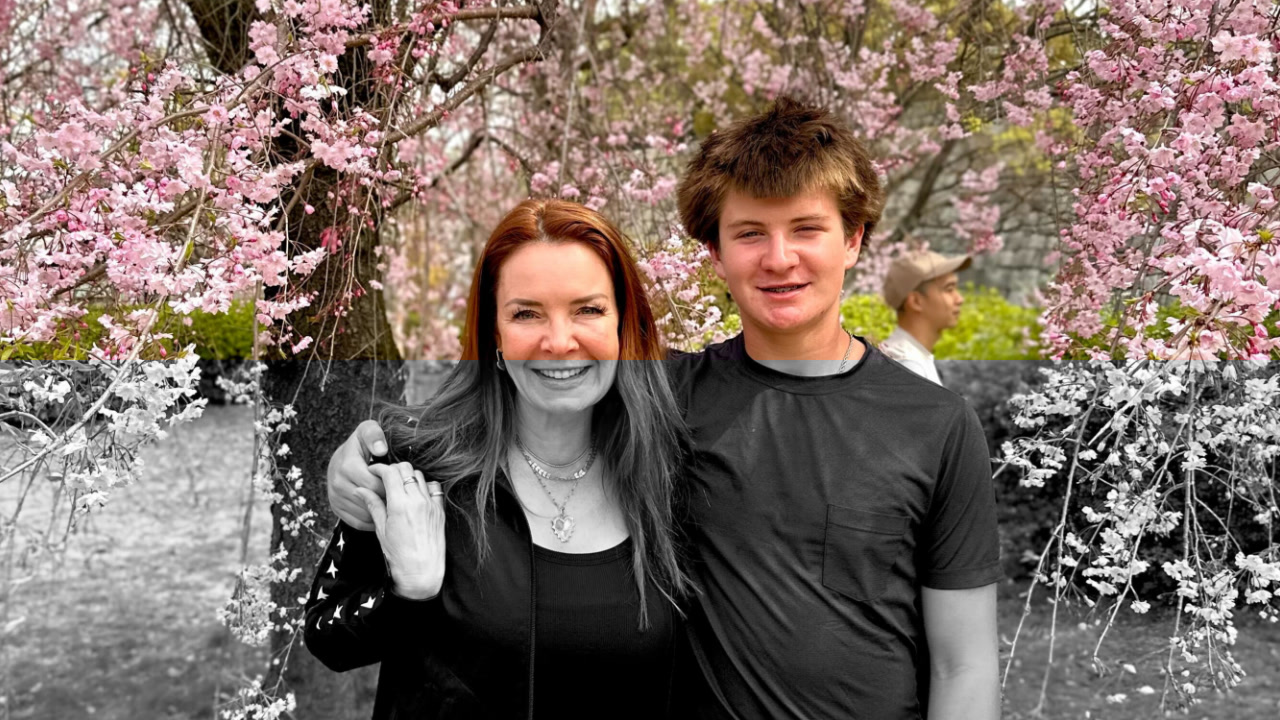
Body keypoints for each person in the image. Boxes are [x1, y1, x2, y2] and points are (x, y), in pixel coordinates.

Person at [327, 98, 1002, 719]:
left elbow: (964, 664)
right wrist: (363, 457)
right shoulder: (660, 397)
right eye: (750, 233)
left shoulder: (935, 425)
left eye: (807, 228)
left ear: (853, 239)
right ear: (714, 254)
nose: (780, 258)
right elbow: (535, 386)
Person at [303, 199, 696, 719]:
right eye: (526, 313)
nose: (559, 342)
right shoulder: (417, 464)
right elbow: (326, 634)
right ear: (494, 332)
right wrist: (407, 592)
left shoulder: (674, 467)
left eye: (588, 310)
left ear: (624, 323)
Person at [879, 249, 972, 385]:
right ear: (916, 301)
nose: (959, 299)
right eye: (949, 289)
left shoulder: (914, 358)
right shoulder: (908, 365)